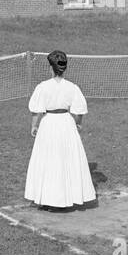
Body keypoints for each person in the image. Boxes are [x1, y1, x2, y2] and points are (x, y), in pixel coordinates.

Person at [24, 50, 96, 210]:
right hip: (65, 124)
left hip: (49, 125)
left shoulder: (43, 87)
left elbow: (37, 111)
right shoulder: (72, 87)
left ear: (51, 67)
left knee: (50, 161)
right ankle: (56, 199)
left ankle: (54, 200)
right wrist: (77, 124)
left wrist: (34, 126)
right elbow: (79, 112)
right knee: (64, 161)